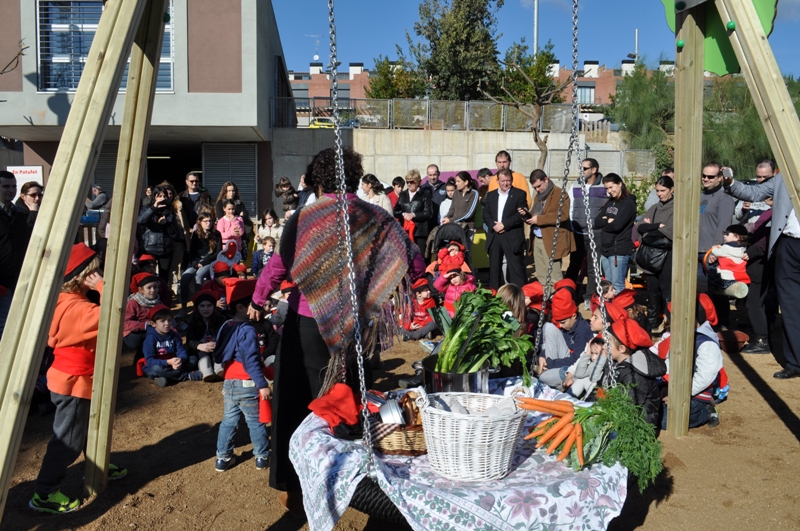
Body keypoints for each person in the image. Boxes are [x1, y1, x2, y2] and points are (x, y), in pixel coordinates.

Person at [247, 146, 426, 514]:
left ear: (317, 181)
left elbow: (277, 267)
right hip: (355, 329)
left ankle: (295, 488)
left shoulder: (303, 218)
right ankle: (350, 487)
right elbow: (412, 257)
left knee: (297, 404)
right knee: (347, 404)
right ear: (354, 176)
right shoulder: (374, 216)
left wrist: (257, 298)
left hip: (306, 327)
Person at [29, 243, 127, 514]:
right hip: (74, 381)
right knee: (68, 440)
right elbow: (117, 311)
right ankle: (45, 493)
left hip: (73, 378)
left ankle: (97, 466)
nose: (99, 274)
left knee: (85, 428)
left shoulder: (63, 300)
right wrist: (103, 285)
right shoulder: (79, 310)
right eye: (94, 271)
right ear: (83, 276)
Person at [212, 278, 272, 472]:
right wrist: (262, 384)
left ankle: (223, 457)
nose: (262, 309)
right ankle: (262, 456)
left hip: (229, 382)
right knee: (255, 422)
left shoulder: (226, 325)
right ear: (241, 307)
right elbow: (251, 361)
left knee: (229, 420)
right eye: (256, 305)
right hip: (247, 382)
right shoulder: (247, 331)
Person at [660, 295, 724, 428]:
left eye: (669, 317)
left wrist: (680, 394)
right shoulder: (679, 336)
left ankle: (706, 411)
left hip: (696, 394)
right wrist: (667, 386)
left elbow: (705, 376)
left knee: (667, 421)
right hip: (677, 388)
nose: (665, 319)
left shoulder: (706, 343)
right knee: (652, 411)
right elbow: (668, 362)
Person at [603, 318, 666, 428]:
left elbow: (629, 405)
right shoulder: (616, 362)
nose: (604, 347)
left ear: (622, 348)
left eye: (607, 344)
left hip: (637, 427)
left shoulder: (635, 374)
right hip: (619, 417)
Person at [521, 170, 575, 295]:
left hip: (552, 240)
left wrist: (539, 219)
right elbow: (535, 213)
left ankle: (560, 301)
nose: (538, 189)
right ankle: (547, 300)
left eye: (539, 186)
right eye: (535, 187)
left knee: (554, 276)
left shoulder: (561, 194)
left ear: (546, 179)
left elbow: (563, 215)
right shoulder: (538, 197)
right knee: (541, 275)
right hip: (537, 239)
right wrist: (526, 215)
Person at [698, 162, 736, 328]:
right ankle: (704, 324)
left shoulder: (724, 198)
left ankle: (722, 326)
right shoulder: (699, 196)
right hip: (697, 252)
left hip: (712, 254)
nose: (706, 179)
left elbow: (724, 227)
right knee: (700, 293)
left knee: (716, 293)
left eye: (710, 176)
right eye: (704, 175)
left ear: (720, 178)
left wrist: (715, 250)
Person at [1, 171, 38, 340]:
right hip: (2, 281)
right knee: (4, 327)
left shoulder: (18, 214)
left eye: (13, 186)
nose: (10, 190)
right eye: (6, 186)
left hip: (19, 277)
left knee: (17, 324)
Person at [567, 158, 607, 308]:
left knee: (593, 267)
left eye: (584, 168)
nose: (581, 171)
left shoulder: (604, 186)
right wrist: (571, 225)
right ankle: (569, 294)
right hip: (578, 233)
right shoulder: (576, 185)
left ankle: (589, 296)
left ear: (594, 170)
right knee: (574, 265)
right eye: (581, 168)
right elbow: (571, 207)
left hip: (596, 233)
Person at [637, 175, 674, 332]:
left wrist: (650, 227)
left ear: (672, 189)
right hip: (651, 255)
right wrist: (657, 226)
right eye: (657, 191)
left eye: (663, 190)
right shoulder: (654, 207)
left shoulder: (676, 208)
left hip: (667, 255)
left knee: (667, 290)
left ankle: (669, 322)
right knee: (652, 289)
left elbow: (670, 231)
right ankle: (652, 323)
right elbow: (640, 227)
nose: (659, 194)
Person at [740, 199, 777, 354]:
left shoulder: (777, 214)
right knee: (758, 302)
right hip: (759, 262)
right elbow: (757, 228)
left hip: (761, 263)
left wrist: (751, 252)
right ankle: (763, 334)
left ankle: (762, 341)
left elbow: (766, 240)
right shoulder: (770, 212)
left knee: (754, 303)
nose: (766, 199)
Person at [538, 287, 592, 389]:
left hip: (575, 366)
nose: (561, 326)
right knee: (549, 327)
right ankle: (551, 374)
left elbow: (576, 359)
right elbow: (556, 340)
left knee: (543, 378)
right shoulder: (568, 325)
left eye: (562, 322)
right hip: (564, 358)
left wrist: (552, 363)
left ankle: (553, 376)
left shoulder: (582, 331)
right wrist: (543, 354)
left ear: (573, 316)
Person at [482, 169, 528, 289]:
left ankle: (518, 296)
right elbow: (485, 213)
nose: (506, 183)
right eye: (503, 181)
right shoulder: (491, 195)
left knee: (515, 268)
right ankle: (495, 296)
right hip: (495, 236)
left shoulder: (520, 194)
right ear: (497, 181)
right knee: (495, 269)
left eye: (508, 181)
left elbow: (521, 214)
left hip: (511, 235)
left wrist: (504, 225)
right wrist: (493, 225)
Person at [594, 173, 636, 294]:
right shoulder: (609, 203)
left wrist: (606, 222)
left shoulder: (628, 203)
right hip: (606, 249)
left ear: (620, 184)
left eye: (611, 187)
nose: (609, 191)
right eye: (607, 188)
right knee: (608, 285)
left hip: (619, 250)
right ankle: (610, 311)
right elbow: (597, 222)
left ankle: (620, 311)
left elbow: (617, 225)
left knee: (617, 285)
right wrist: (608, 220)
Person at [142, 304, 202, 387]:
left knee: (193, 359)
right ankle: (186, 376)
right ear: (153, 324)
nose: (167, 323)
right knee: (156, 369)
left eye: (169, 320)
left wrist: (180, 359)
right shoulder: (150, 338)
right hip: (160, 365)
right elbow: (150, 361)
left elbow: (181, 350)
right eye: (162, 321)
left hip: (174, 364)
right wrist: (168, 362)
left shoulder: (174, 335)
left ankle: (166, 378)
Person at [178, 212, 222, 316]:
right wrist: (194, 263)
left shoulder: (216, 234)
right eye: (205, 221)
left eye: (210, 221)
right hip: (196, 261)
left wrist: (203, 262)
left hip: (209, 261)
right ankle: (183, 307)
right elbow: (191, 251)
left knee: (199, 276)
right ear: (200, 222)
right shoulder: (196, 234)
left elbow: (218, 252)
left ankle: (198, 306)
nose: (208, 223)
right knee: (185, 277)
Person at [137, 184, 181, 281]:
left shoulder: (170, 211)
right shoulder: (147, 208)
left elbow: (175, 234)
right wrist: (154, 208)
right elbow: (141, 221)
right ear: (154, 197)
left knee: (164, 277)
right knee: (147, 276)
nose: (162, 199)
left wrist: (166, 224)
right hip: (149, 248)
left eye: (164, 196)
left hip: (165, 249)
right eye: (159, 196)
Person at [185, 289, 227, 381]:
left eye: (209, 305)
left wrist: (216, 343)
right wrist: (199, 345)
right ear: (197, 307)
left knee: (216, 341)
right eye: (202, 306)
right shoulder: (193, 321)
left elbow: (225, 336)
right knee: (202, 344)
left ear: (214, 306)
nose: (206, 309)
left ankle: (219, 367)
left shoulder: (221, 319)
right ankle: (206, 370)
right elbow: (190, 340)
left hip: (217, 348)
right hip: (200, 350)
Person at [393, 169, 434, 255]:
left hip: (420, 232)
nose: (409, 184)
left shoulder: (425, 194)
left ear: (417, 182)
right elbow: (395, 211)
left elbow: (429, 213)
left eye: (411, 182)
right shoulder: (403, 194)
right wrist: (403, 214)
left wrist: (413, 215)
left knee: (420, 256)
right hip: (405, 231)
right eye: (407, 182)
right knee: (405, 256)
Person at [706, 224, 750, 298]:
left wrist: (714, 248)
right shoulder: (742, 248)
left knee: (711, 272)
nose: (724, 236)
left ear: (737, 237)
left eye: (727, 234)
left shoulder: (727, 248)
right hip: (736, 277)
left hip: (725, 277)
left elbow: (719, 252)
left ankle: (711, 292)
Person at [123, 273, 163, 354]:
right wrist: (145, 325)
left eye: (155, 287)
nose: (153, 290)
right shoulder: (133, 303)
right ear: (141, 290)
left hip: (151, 330)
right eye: (149, 287)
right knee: (150, 337)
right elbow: (125, 323)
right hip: (133, 334)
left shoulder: (158, 302)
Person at [214, 181, 253, 255]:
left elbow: (244, 216)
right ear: (225, 192)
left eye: (233, 190)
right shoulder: (220, 203)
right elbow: (222, 218)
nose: (232, 193)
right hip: (226, 236)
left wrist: (237, 218)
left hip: (238, 232)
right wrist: (238, 216)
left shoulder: (239, 202)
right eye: (229, 191)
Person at [734, 160, 775, 224]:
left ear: (774, 174)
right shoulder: (749, 190)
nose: (762, 180)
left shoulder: (781, 191)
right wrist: (744, 210)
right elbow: (738, 217)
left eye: (765, 177)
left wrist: (774, 205)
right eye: (759, 177)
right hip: (751, 231)